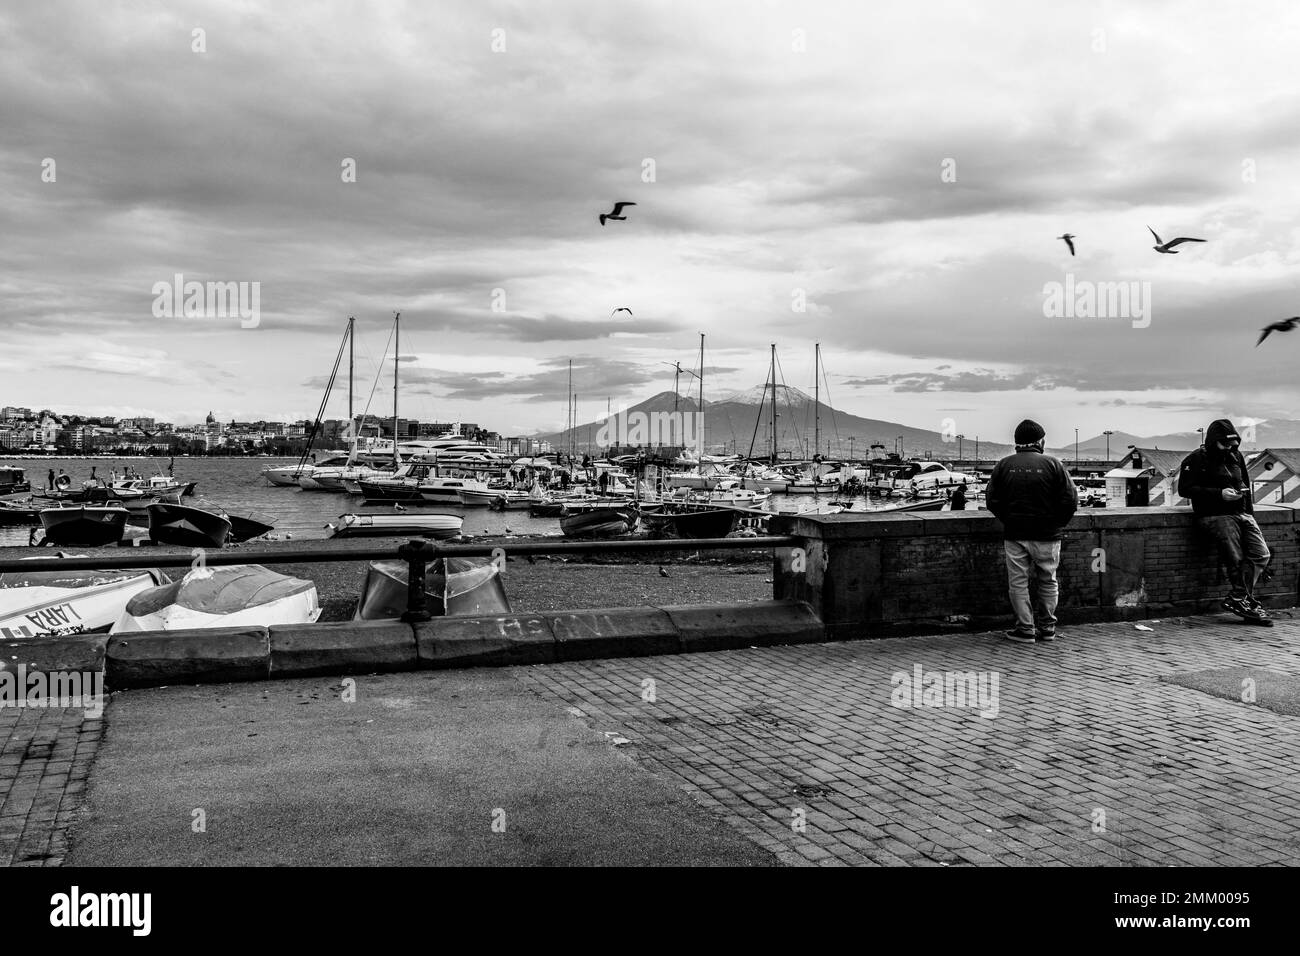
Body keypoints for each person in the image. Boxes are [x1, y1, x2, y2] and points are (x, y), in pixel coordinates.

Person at [984, 420, 1078, 644]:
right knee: (1048, 580)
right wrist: (1058, 522)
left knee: (1018, 582)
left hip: (1015, 534)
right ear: (1040, 441)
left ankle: (1025, 628)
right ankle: (1047, 628)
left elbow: (992, 500)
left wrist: (1008, 519)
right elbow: (1071, 500)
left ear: (1017, 442)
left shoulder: (1004, 465)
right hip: (1048, 535)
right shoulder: (1054, 464)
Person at [1177, 420, 1272, 625]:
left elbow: (1245, 485)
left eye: (1233, 444)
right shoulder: (1195, 459)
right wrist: (1219, 494)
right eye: (1224, 444)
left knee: (1261, 554)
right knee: (1235, 558)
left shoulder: (1236, 456)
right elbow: (1185, 489)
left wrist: (1249, 512)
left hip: (1241, 512)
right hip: (1214, 515)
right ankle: (1243, 601)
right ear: (1213, 442)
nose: (1229, 448)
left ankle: (1239, 597)